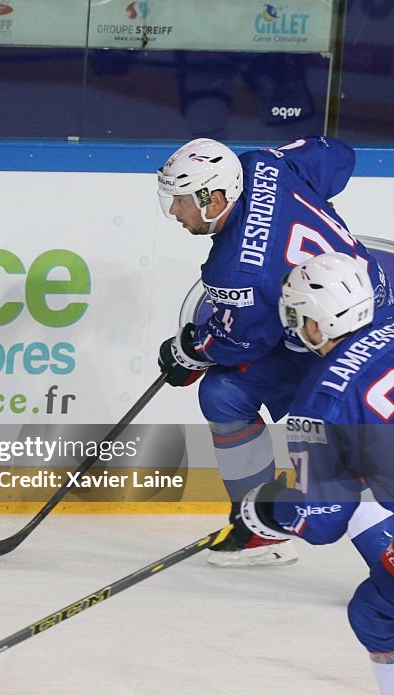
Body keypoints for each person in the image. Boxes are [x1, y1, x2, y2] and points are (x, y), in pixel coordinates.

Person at [155, 136, 394, 567]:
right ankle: (266, 529)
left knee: (333, 442)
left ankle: (269, 528)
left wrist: (191, 350)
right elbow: (338, 154)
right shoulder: (265, 164)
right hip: (371, 300)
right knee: (229, 396)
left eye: (182, 201)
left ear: (214, 198)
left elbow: (237, 343)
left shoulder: (238, 270)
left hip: (335, 339)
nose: (175, 211)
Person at [230, 252, 394, 693]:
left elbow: (320, 521)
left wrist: (265, 511)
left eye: (296, 315)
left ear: (317, 325)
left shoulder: (323, 398)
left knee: (375, 612)